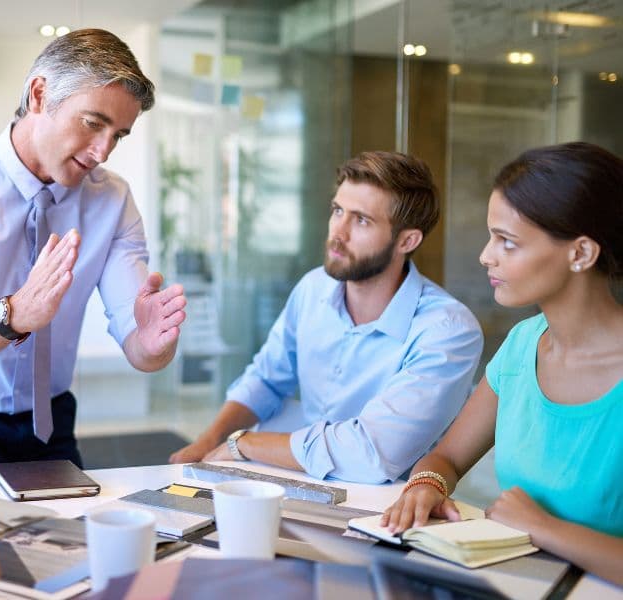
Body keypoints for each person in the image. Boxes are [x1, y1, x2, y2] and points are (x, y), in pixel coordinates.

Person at [0, 28, 187, 479]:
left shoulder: (112, 201)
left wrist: (150, 345)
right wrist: (14, 314)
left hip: (49, 418)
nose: (103, 151)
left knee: (73, 542)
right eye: (93, 123)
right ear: (40, 94)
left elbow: (142, 350)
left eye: (118, 135)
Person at [381, 142, 623, 585]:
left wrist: (546, 529)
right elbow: (447, 456)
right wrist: (427, 485)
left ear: (581, 254)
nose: (486, 256)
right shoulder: (521, 346)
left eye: (507, 242)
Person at [170, 151, 483, 483]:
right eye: (338, 211)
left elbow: (373, 453)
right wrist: (209, 440)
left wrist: (245, 444)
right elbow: (266, 379)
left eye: (361, 220)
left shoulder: (447, 330)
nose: (339, 232)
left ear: (407, 240)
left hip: (379, 509)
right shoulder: (313, 287)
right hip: (289, 480)